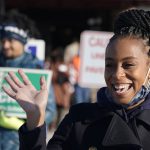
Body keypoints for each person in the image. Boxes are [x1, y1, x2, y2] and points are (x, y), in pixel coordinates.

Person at [2, 8, 150, 150]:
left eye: (128, 65)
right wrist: (35, 118)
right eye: (109, 65)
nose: (117, 74)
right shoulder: (79, 119)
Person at [0, 9, 56, 150]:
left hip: (18, 143)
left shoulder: (36, 68)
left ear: (22, 40)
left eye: (11, 40)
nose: (5, 45)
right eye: (3, 40)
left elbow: (49, 111)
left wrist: (24, 122)